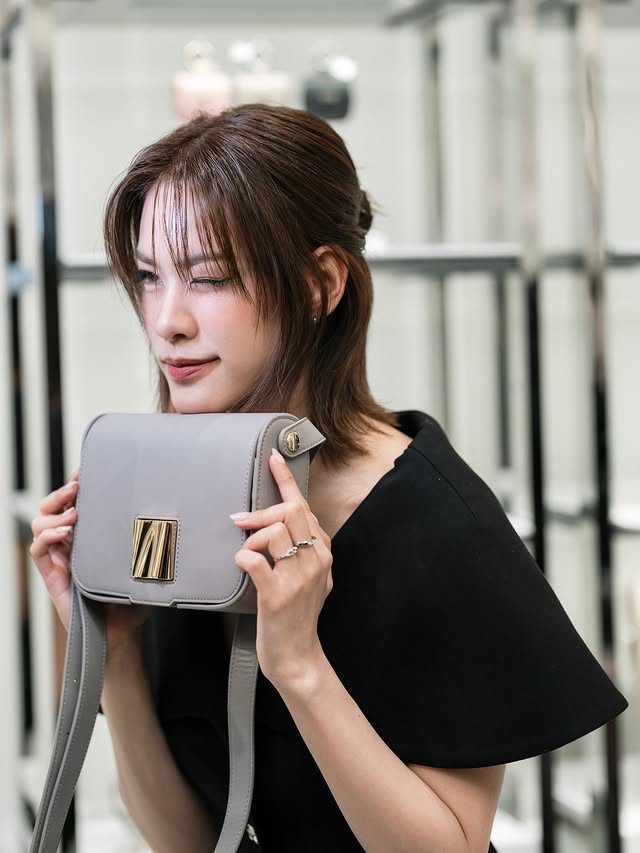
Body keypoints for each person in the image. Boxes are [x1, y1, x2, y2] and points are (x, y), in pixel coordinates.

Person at [30, 105, 627, 853]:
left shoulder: (432, 522)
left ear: (320, 283)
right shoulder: (174, 501)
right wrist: (112, 653)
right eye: (151, 277)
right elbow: (186, 840)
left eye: (209, 277)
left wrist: (300, 666)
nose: (167, 321)